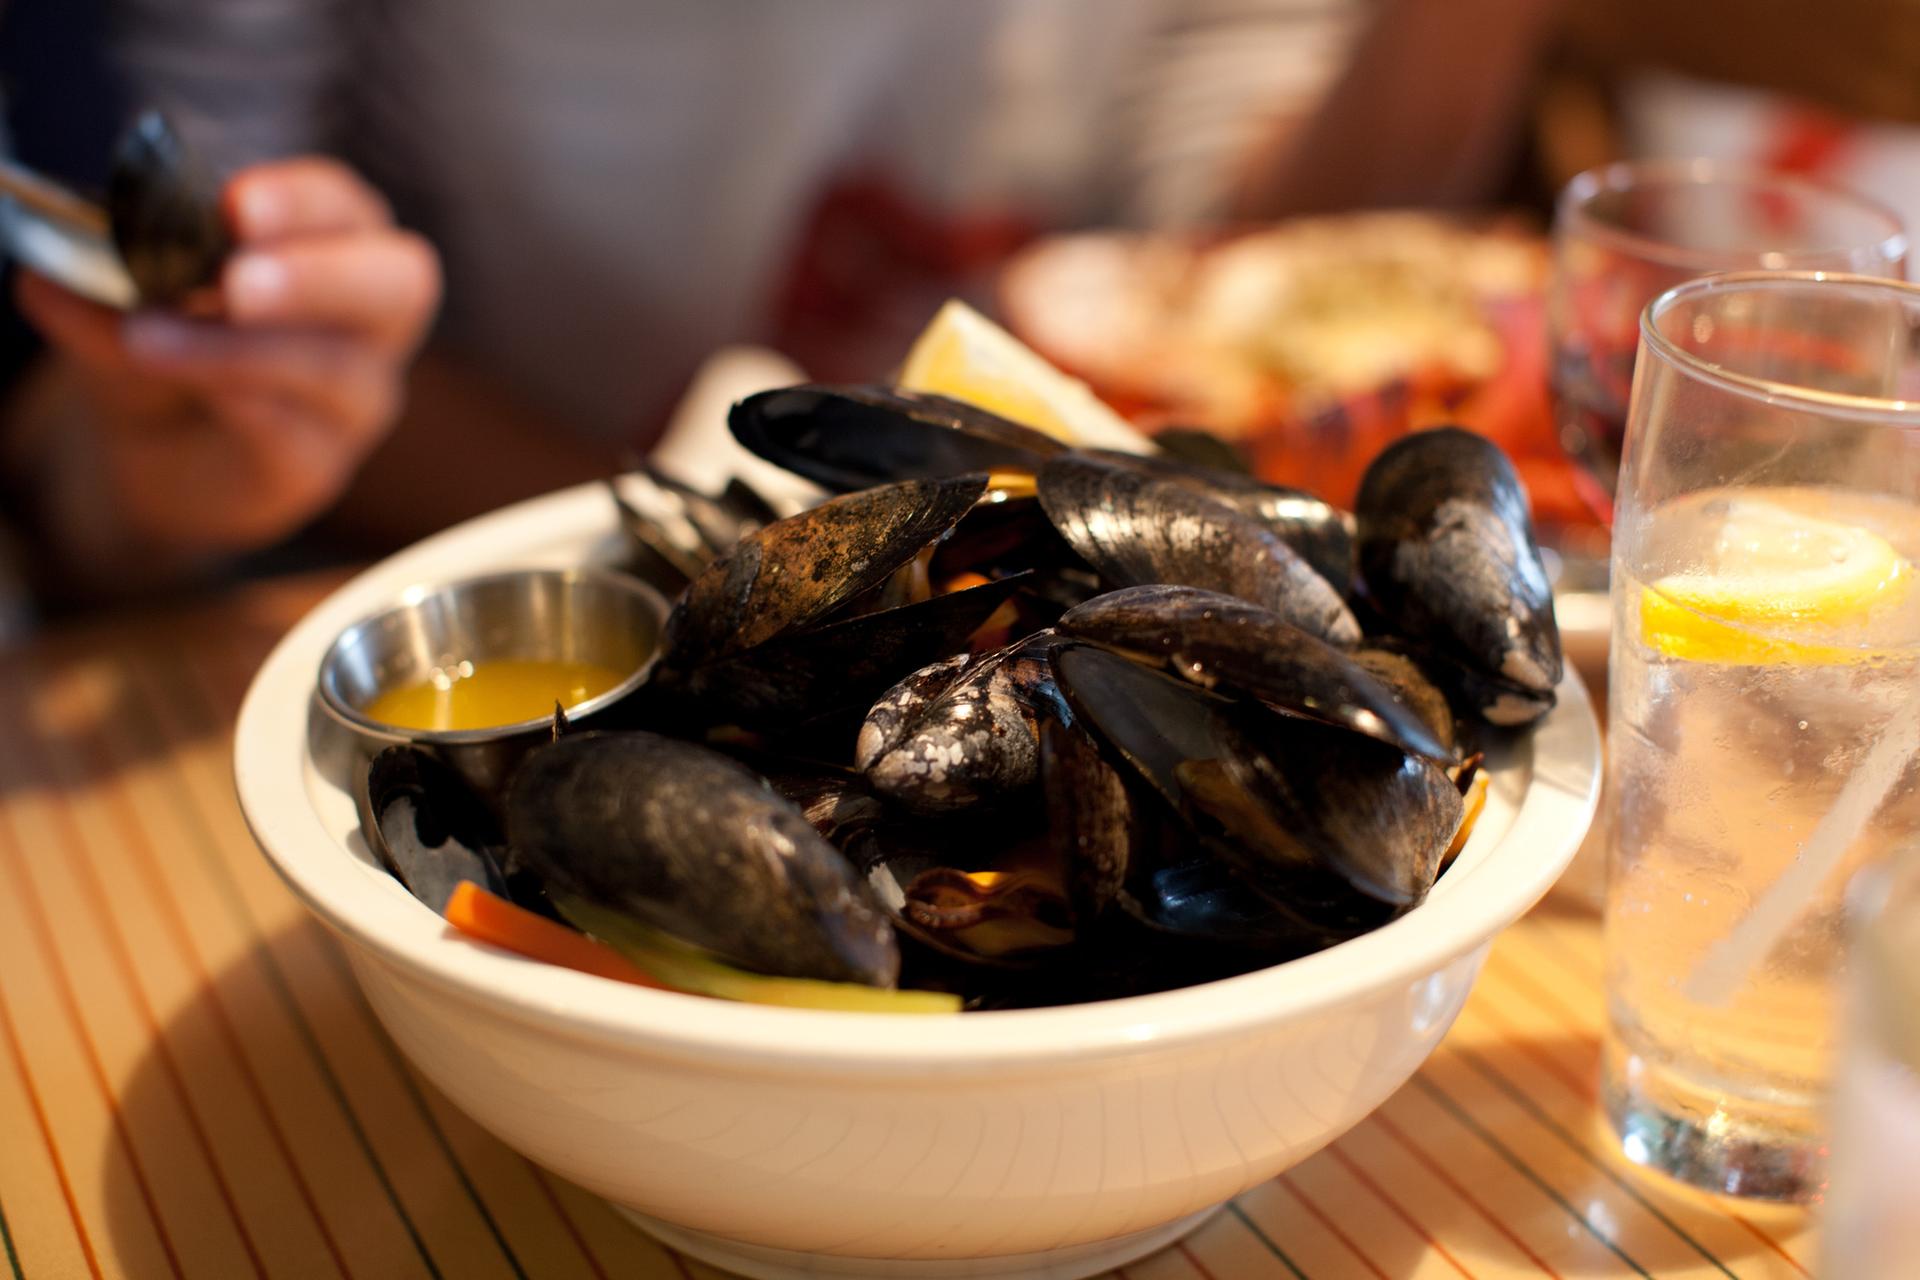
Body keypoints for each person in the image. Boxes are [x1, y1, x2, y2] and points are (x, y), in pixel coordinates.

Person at [0, 0, 1560, 605]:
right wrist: (189, 423)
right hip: (439, 591)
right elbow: (155, 386)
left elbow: (1253, 257)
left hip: (1037, 607)